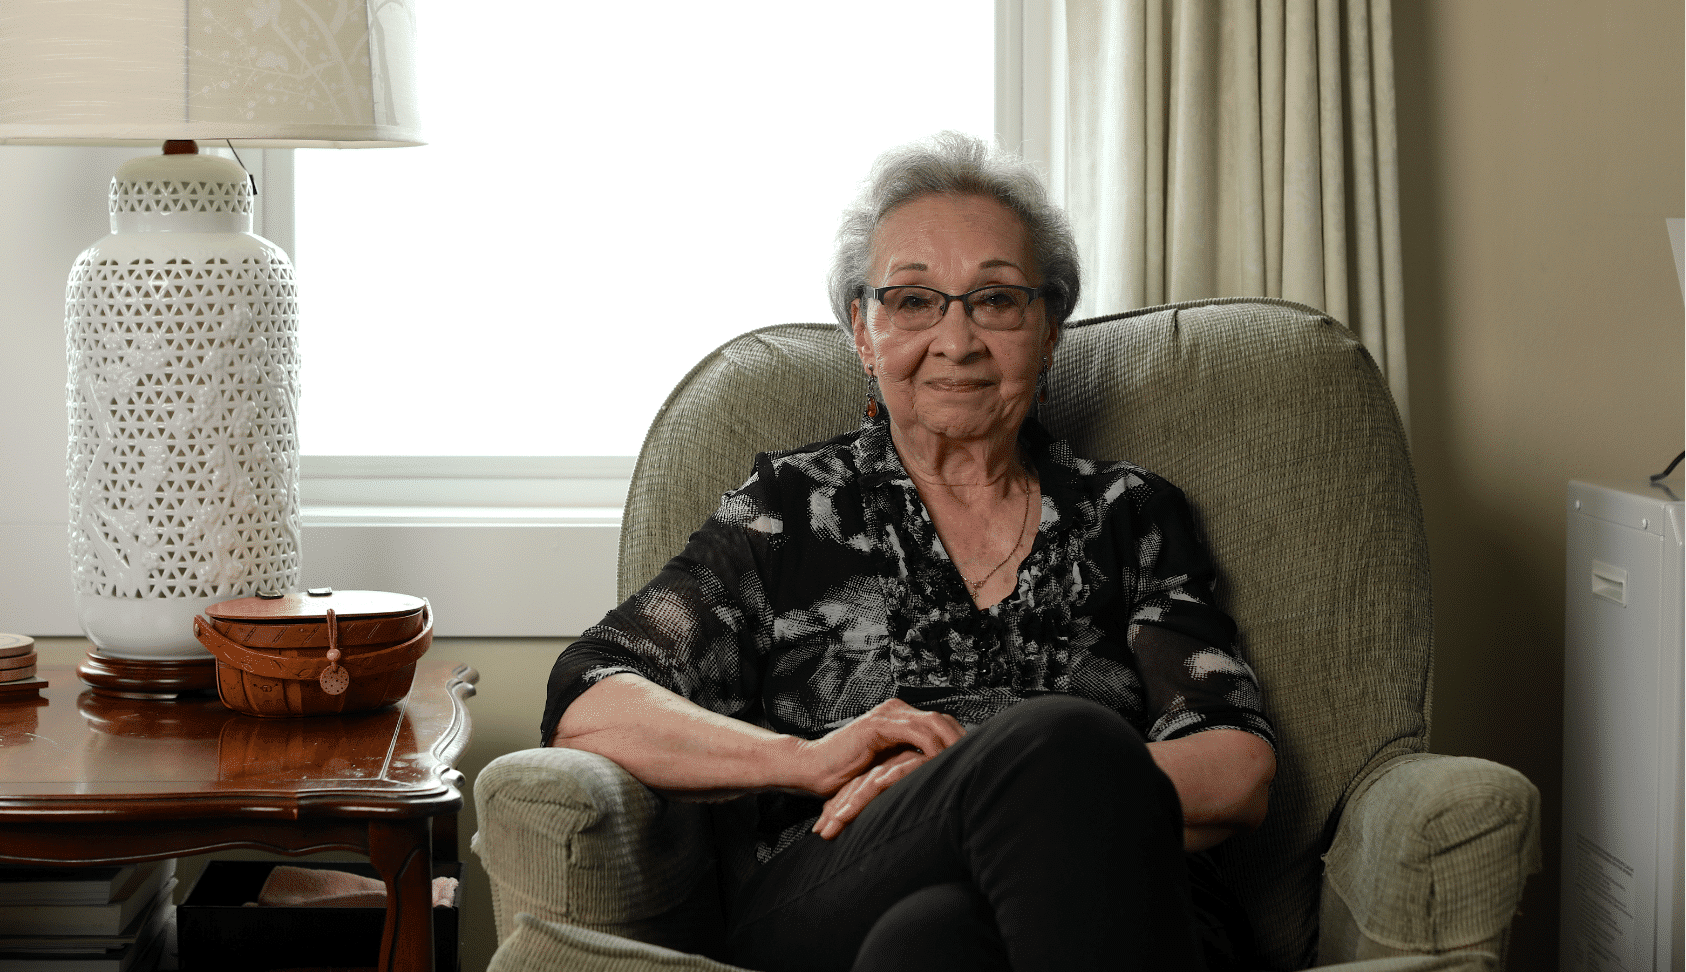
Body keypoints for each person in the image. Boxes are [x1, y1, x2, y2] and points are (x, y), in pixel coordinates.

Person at [541, 132, 1277, 971]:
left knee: (933, 941)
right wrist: (807, 759)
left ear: (1050, 330)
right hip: (835, 884)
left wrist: (993, 784)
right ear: (863, 329)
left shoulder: (1130, 514)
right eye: (915, 300)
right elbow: (590, 695)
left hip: (1117, 900)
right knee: (1061, 746)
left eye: (996, 300)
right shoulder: (791, 510)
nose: (956, 340)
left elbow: (1236, 764)